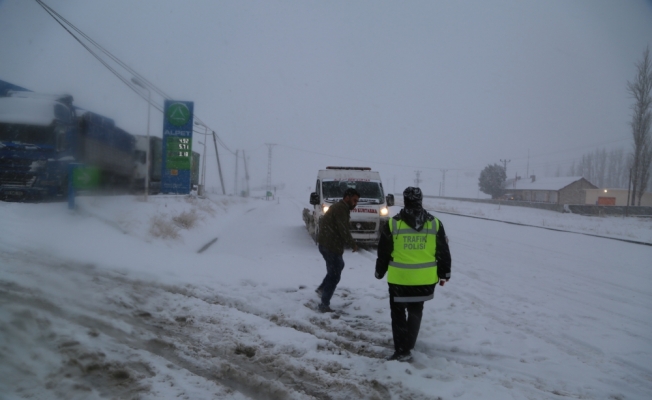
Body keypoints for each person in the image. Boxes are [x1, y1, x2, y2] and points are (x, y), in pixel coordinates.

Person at [375, 187, 451, 362]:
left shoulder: (393, 224)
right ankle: (409, 344)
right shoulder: (435, 223)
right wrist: (444, 273)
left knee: (398, 315)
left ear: (405, 200)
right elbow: (443, 251)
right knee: (416, 311)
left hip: (399, 281)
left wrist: (380, 271)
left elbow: (384, 251)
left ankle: (402, 350)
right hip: (424, 281)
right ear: (421, 200)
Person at [315, 188, 360, 312]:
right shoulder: (341, 209)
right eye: (354, 200)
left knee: (336, 268)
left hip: (327, 244)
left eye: (357, 201)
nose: (356, 203)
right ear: (347, 198)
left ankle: (322, 289)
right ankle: (324, 305)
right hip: (330, 246)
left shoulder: (341, 207)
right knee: (334, 275)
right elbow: (343, 229)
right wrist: (353, 244)